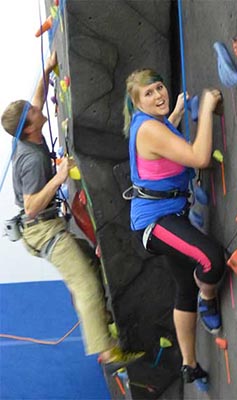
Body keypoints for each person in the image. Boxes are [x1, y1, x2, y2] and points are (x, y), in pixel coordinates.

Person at [1, 52, 143, 371]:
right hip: (43, 231)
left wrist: (47, 71)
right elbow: (31, 205)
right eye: (34, 112)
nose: (39, 109)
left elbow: (35, 102)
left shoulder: (28, 136)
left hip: (44, 228)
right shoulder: (32, 160)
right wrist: (60, 177)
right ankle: (107, 354)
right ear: (29, 128)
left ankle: (103, 323)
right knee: (85, 284)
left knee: (91, 262)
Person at [123, 68, 225, 385]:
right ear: (137, 103)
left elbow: (163, 148)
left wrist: (176, 115)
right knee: (211, 260)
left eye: (159, 87)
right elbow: (199, 157)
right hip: (156, 224)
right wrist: (206, 108)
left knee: (184, 288)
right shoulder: (149, 129)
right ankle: (208, 297)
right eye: (149, 94)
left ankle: (189, 364)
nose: (159, 95)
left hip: (169, 216)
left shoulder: (154, 123)